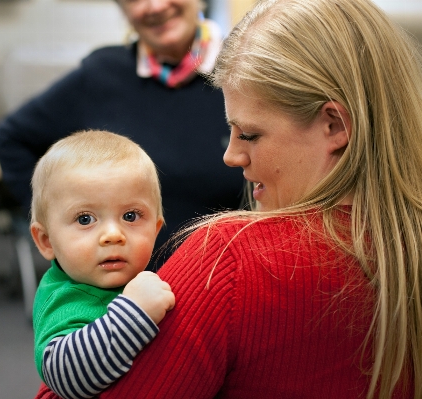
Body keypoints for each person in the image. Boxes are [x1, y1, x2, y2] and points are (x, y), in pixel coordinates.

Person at [29, 0, 422, 398]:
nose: (230, 156)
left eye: (249, 134)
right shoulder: (404, 248)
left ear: (334, 125)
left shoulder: (228, 260)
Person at [0, 0, 244, 265]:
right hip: (117, 292)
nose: (155, 6)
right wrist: (58, 224)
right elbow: (12, 139)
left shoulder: (246, 71)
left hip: (222, 285)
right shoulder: (101, 75)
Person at [30, 129, 175, 399]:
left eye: (131, 216)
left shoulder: (134, 279)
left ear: (155, 230)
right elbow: (64, 376)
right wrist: (135, 312)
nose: (113, 235)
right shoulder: (66, 299)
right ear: (47, 241)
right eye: (85, 219)